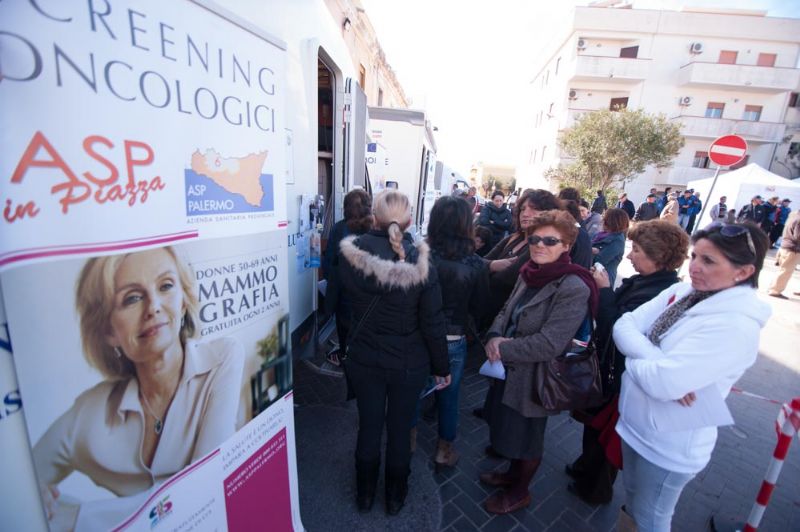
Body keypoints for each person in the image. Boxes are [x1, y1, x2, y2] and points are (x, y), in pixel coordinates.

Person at [34, 247, 245, 525]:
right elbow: (23, 476)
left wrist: (72, 518)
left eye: (166, 286)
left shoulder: (222, 358)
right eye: (132, 298)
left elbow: (205, 486)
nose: (153, 307)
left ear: (182, 301)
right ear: (109, 330)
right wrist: (38, 498)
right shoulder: (89, 412)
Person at [612, 222, 770, 531]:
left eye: (709, 261)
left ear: (743, 272)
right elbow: (624, 325)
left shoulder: (736, 326)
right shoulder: (684, 291)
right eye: (695, 256)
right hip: (636, 426)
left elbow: (663, 383)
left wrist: (634, 358)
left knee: (650, 518)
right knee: (632, 505)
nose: (695, 267)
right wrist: (658, 360)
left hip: (668, 446)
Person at [338, 189, 450, 515]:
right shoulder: (420, 260)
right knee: (400, 430)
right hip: (408, 364)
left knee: (369, 426)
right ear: (410, 220)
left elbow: (346, 307)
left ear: (374, 217)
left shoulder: (351, 254)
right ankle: (395, 497)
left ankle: (364, 494)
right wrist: (442, 366)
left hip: (364, 359)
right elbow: (432, 322)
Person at [479, 210, 599, 514]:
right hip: (509, 370)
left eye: (550, 240)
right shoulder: (530, 271)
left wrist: (503, 348)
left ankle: (520, 492)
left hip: (537, 377)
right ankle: (511, 475)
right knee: (510, 431)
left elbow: (550, 343)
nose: (539, 244)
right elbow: (507, 310)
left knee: (528, 438)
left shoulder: (574, 286)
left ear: (566, 246)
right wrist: (494, 334)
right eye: (534, 238)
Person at [566, 220, 689, 505]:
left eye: (636, 250)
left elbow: (618, 328)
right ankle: (585, 469)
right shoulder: (648, 283)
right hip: (611, 372)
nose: (630, 255)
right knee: (594, 429)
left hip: (623, 378)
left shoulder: (660, 293)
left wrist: (606, 289)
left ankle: (595, 491)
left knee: (606, 437)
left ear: (657, 257)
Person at [414, 196, 489, 470]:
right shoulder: (476, 264)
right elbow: (481, 307)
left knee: (413, 391)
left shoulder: (419, 255)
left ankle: (407, 443)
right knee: (450, 396)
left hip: (418, 335)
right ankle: (444, 451)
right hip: (454, 339)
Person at [481, 189, 560, 329]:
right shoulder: (515, 237)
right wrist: (492, 265)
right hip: (485, 313)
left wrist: (486, 267)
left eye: (534, 209)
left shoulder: (540, 248)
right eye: (522, 209)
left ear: (550, 213)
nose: (526, 213)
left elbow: (502, 279)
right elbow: (480, 262)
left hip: (505, 322)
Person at [322, 188, 373, 366]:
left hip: (344, 298)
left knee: (345, 335)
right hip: (369, 300)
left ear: (345, 208)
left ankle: (344, 358)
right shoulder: (375, 229)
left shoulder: (338, 229)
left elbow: (328, 265)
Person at [592, 208, 630, 287]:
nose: (602, 220)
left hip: (601, 280)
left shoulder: (617, 240)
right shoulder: (602, 234)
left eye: (605, 218)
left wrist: (591, 250)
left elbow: (600, 260)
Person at [767, 209, 800, 299]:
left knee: (782, 270)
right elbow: (798, 236)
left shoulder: (792, 217)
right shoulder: (798, 220)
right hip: (793, 249)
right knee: (785, 271)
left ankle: (773, 288)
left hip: (786, 247)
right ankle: (775, 290)